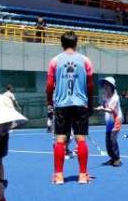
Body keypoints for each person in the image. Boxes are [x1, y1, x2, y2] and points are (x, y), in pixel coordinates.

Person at [46, 30, 95, 185]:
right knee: (81, 139)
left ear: (62, 44)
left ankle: (59, 176)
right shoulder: (86, 61)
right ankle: (82, 175)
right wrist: (90, 103)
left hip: (61, 103)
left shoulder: (54, 61)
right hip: (80, 103)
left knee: (60, 139)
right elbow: (90, 85)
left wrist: (49, 101)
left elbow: (49, 85)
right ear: (76, 43)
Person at [95, 76, 123, 167]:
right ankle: (112, 158)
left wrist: (102, 109)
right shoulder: (105, 96)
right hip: (109, 121)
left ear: (112, 86)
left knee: (112, 138)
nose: (105, 87)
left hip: (116, 120)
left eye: (107, 85)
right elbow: (104, 105)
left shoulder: (115, 97)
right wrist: (101, 106)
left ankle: (117, 159)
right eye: (104, 85)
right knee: (108, 141)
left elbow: (111, 110)